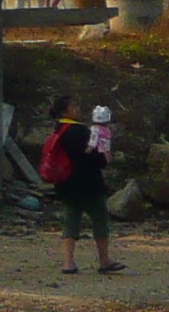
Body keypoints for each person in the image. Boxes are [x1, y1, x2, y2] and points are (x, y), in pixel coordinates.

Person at [46, 98, 122, 275]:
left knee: (71, 219)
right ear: (66, 111)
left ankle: (68, 262)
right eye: (74, 106)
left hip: (65, 182)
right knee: (99, 219)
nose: (78, 109)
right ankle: (104, 260)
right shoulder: (81, 131)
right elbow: (95, 158)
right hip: (89, 182)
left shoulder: (57, 130)